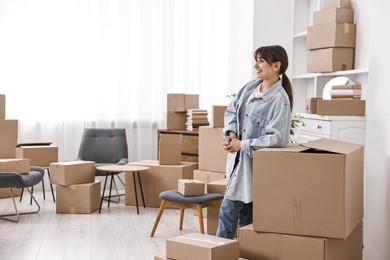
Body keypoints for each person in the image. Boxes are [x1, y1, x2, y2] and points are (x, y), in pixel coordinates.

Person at [216, 45, 293, 239]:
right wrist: (232, 135)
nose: (255, 65)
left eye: (261, 61)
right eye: (256, 60)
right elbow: (232, 111)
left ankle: (216, 252)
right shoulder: (250, 87)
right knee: (247, 219)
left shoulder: (279, 100)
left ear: (276, 66)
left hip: (254, 169)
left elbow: (278, 138)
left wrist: (242, 145)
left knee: (228, 214)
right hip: (237, 165)